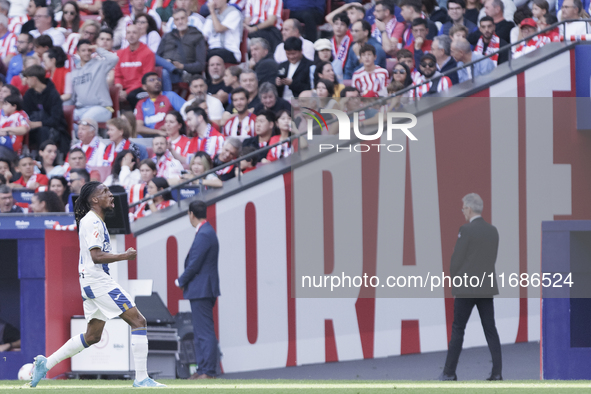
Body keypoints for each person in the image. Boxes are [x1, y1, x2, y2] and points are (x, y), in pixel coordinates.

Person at [29, 182, 166, 388]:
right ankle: (141, 379)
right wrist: (125, 255)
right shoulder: (92, 222)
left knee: (92, 336)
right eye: (105, 192)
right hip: (98, 282)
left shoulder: (93, 221)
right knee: (139, 321)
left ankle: (46, 363)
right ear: (94, 200)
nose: (111, 195)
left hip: (91, 282)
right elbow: (96, 256)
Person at [439, 193, 502, 381]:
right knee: (490, 329)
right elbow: (491, 258)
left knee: (458, 330)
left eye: (463, 209)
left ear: (468, 208)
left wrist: (456, 279)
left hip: (466, 288)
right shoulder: (493, 230)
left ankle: (449, 372)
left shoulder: (465, 230)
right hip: (486, 288)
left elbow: (456, 260)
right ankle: (497, 373)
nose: (463, 212)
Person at [175, 200, 220, 380]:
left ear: (191, 214)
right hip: (203, 288)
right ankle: (202, 369)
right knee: (201, 332)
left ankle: (208, 371)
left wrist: (180, 280)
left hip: (202, 289)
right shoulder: (206, 231)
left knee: (204, 332)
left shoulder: (204, 234)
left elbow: (194, 264)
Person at [22, 64, 69, 154]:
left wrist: (38, 124)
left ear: (34, 78)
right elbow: (25, 113)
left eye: (27, 78)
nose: (26, 81)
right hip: (32, 127)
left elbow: (56, 119)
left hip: (54, 129)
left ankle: (44, 161)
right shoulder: (28, 94)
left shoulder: (53, 94)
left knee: (43, 131)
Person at [71, 40, 119, 123]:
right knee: (64, 119)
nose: (87, 53)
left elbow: (114, 58)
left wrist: (98, 49)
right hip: (80, 109)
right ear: (77, 52)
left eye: (89, 50)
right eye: (83, 50)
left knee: (84, 121)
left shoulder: (100, 64)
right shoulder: (74, 72)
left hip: (101, 108)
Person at [156, 9, 207, 87]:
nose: (180, 22)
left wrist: (182, 66)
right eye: (177, 19)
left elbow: (200, 65)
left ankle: (174, 70)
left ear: (187, 19)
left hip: (184, 73)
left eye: (182, 18)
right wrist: (166, 62)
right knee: (150, 55)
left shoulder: (197, 36)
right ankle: (171, 67)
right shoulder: (167, 36)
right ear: (174, 22)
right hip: (165, 68)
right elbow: (157, 57)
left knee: (164, 73)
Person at [114, 24, 155, 110]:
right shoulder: (120, 54)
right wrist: (119, 88)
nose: (131, 35)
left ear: (140, 35)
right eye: (128, 33)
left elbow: (145, 78)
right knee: (110, 94)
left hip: (140, 88)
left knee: (133, 95)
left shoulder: (147, 53)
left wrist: (127, 92)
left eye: (134, 32)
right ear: (125, 36)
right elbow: (118, 75)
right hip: (124, 88)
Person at [135, 72, 186, 136]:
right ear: (144, 87)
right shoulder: (141, 103)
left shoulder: (170, 96)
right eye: (152, 80)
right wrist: (158, 132)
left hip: (168, 136)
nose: (156, 82)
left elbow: (187, 112)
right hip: (148, 138)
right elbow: (138, 128)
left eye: (158, 79)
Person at [202, 0, 243, 64]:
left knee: (214, 55)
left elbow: (219, 28)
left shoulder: (234, 13)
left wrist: (212, 11)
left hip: (230, 51)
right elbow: (203, 37)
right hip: (213, 50)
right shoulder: (210, 17)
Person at [329, 12, 352, 82]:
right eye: (336, 24)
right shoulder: (329, 43)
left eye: (342, 24)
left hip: (346, 76)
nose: (338, 27)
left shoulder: (351, 42)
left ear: (347, 28)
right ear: (332, 26)